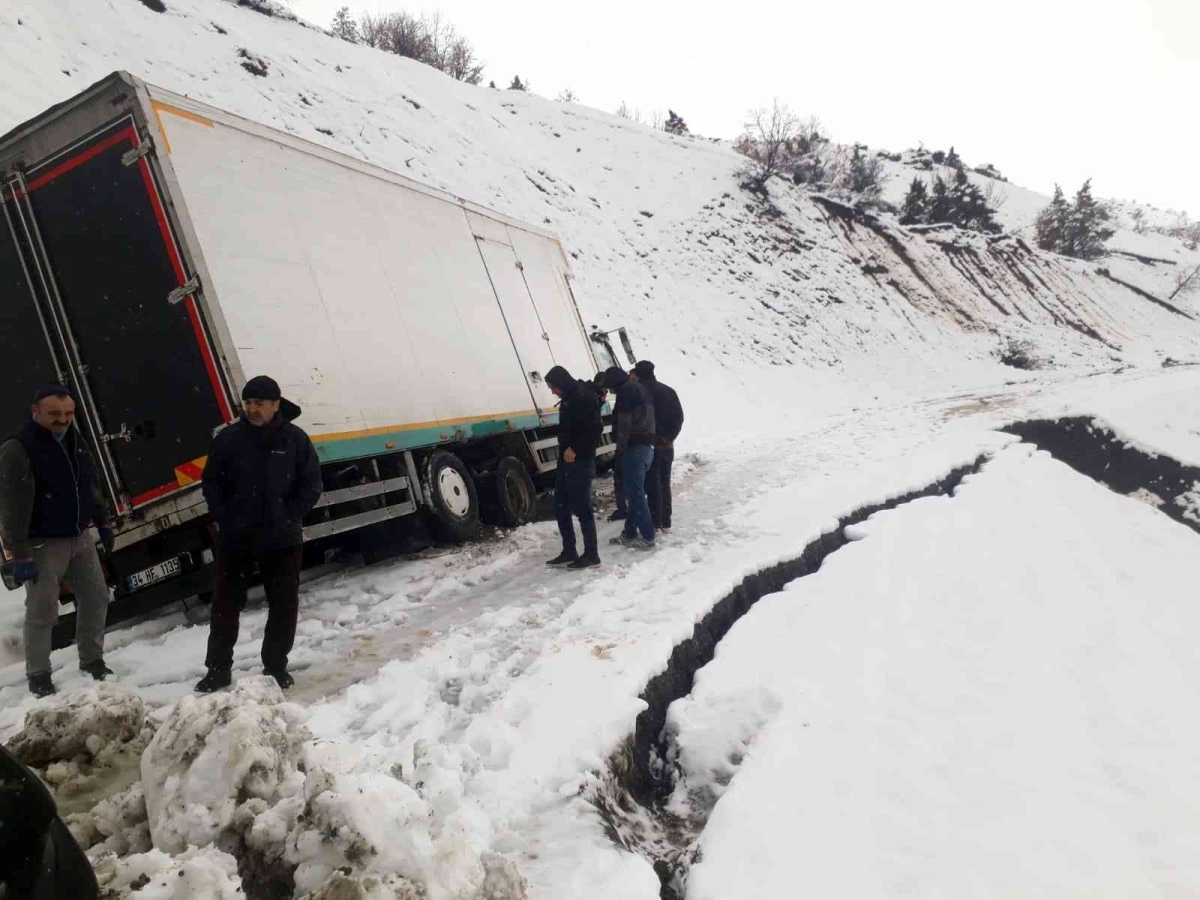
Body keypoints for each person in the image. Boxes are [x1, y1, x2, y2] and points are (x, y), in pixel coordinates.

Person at [195, 376, 322, 693]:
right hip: (236, 537)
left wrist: (288, 515)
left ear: (276, 404)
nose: (252, 409)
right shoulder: (228, 439)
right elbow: (211, 483)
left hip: (281, 537)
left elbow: (311, 485)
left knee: (283, 603)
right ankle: (218, 669)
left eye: (259, 403)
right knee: (225, 604)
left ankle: (276, 667)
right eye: (248, 403)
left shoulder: (294, 439)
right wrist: (226, 517)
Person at [0, 385, 115, 697]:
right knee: (42, 610)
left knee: (96, 597)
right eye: (54, 414)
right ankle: (38, 675)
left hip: (79, 537)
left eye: (68, 414)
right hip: (41, 544)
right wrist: (18, 553)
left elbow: (90, 482)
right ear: (35, 412)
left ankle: (92, 660)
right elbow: (9, 506)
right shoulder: (18, 448)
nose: (63, 420)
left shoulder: (75, 439)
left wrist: (102, 522)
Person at [545, 366, 604, 570]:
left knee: (582, 507)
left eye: (553, 387)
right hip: (566, 459)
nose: (552, 391)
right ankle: (569, 550)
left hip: (581, 459)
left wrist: (575, 448)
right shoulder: (570, 396)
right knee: (560, 505)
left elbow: (595, 429)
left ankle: (592, 554)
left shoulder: (582, 397)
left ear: (562, 383)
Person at [603, 367, 656, 549]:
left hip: (634, 448)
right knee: (635, 493)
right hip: (646, 446)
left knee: (636, 494)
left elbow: (624, 424)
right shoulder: (638, 388)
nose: (609, 391)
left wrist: (620, 448)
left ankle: (648, 537)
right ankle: (630, 532)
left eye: (610, 387)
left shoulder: (626, 392)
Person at [631, 361, 684, 532]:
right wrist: (668, 438)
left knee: (650, 486)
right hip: (666, 447)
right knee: (664, 484)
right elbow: (678, 418)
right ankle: (665, 521)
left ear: (638, 374)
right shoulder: (668, 391)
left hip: (646, 446)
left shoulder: (637, 392)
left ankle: (654, 523)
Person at [592, 371, 626, 522]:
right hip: (626, 444)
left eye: (609, 389)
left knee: (622, 478)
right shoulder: (592, 397)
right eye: (605, 389)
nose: (608, 392)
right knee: (623, 478)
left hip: (626, 445)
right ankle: (625, 510)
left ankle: (625, 511)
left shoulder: (625, 395)